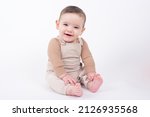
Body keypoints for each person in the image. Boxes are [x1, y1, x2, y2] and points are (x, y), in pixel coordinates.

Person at [46, 6, 103, 97]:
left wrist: (91, 71)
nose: (70, 29)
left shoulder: (81, 43)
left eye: (76, 27)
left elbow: (87, 58)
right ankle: (69, 89)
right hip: (58, 72)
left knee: (84, 72)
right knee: (52, 80)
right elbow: (55, 61)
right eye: (65, 25)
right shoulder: (55, 42)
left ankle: (90, 84)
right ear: (57, 24)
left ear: (82, 30)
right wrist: (63, 75)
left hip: (76, 71)